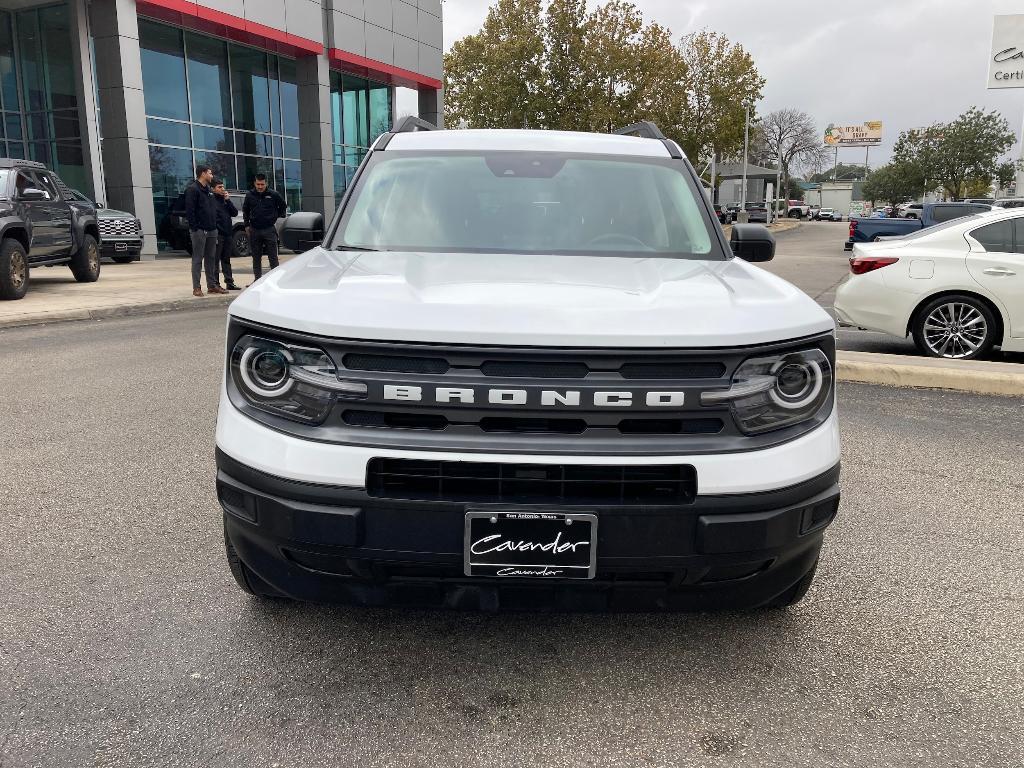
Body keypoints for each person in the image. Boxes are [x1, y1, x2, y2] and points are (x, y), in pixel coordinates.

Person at [184, 165, 227, 296]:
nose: (211, 175)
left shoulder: (208, 190)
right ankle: (196, 287)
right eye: (210, 173)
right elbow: (190, 211)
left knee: (211, 258)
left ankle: (212, 286)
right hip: (199, 231)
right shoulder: (193, 189)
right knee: (198, 258)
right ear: (203, 174)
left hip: (212, 230)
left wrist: (214, 226)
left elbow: (212, 208)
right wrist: (195, 228)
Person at [242, 173, 287, 282]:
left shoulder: (273, 194)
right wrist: (247, 225)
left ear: (266, 183)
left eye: (262, 184)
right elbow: (245, 210)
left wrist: (275, 217)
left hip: (269, 229)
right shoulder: (249, 195)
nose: (260, 187)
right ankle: (257, 280)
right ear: (255, 183)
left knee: (273, 257)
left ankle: (275, 280)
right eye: (258, 184)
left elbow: (283, 206)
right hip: (255, 230)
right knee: (256, 257)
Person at [211, 180, 241, 291]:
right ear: (213, 189)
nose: (222, 189)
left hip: (228, 234)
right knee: (215, 260)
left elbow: (234, 213)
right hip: (218, 234)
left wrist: (228, 200)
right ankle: (215, 284)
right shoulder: (212, 200)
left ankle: (230, 282)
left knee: (226, 259)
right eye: (219, 187)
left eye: (223, 187)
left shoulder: (225, 200)